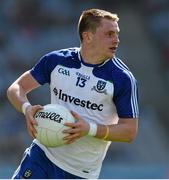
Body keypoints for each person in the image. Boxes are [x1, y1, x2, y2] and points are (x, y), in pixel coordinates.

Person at [7, 8, 139, 179]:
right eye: (109, 34)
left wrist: (89, 129)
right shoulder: (56, 61)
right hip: (41, 155)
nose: (116, 40)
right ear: (88, 36)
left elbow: (129, 131)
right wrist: (27, 109)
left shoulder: (122, 78)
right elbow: (16, 88)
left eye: (117, 34)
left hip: (80, 172)